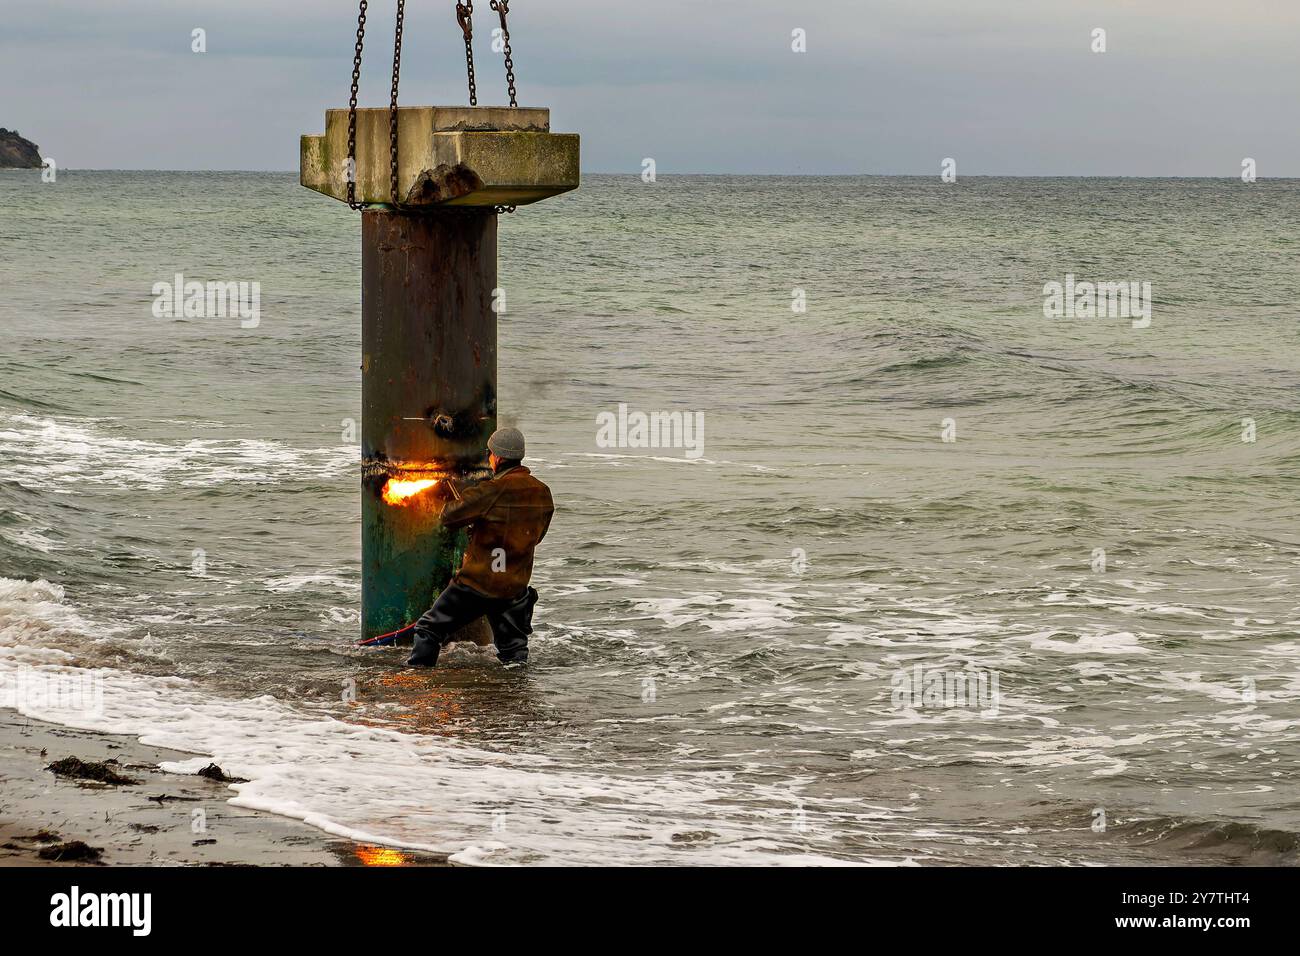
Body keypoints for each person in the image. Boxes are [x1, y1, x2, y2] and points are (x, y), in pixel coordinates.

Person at [406, 427, 554, 668]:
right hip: (514, 585)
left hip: (477, 583)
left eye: (490, 454)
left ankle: (419, 681)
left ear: (497, 457)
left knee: (428, 629)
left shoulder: (491, 490)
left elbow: (449, 517)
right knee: (514, 650)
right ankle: (516, 696)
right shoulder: (542, 492)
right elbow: (537, 536)